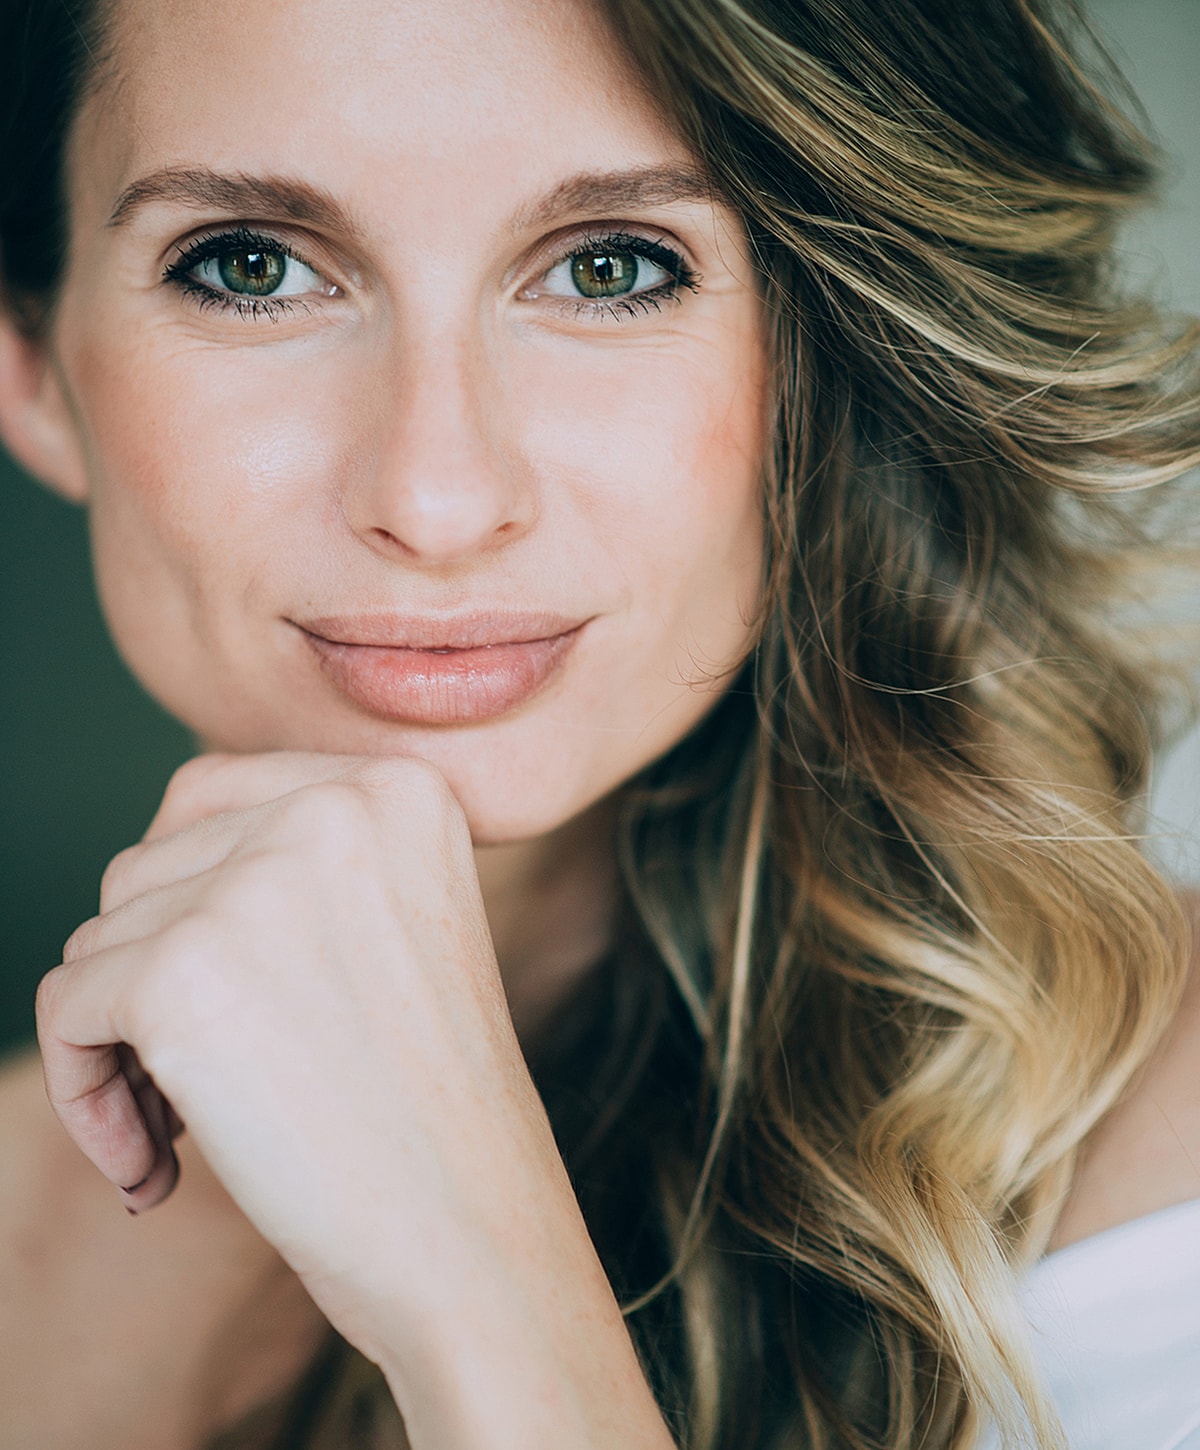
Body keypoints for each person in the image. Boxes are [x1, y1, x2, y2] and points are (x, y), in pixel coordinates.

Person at [0, 0, 1197, 1446]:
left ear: (830, 337)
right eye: (249, 268)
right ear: (32, 360)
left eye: (613, 268)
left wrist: (486, 1294)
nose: (437, 499)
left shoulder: (1153, 1169)